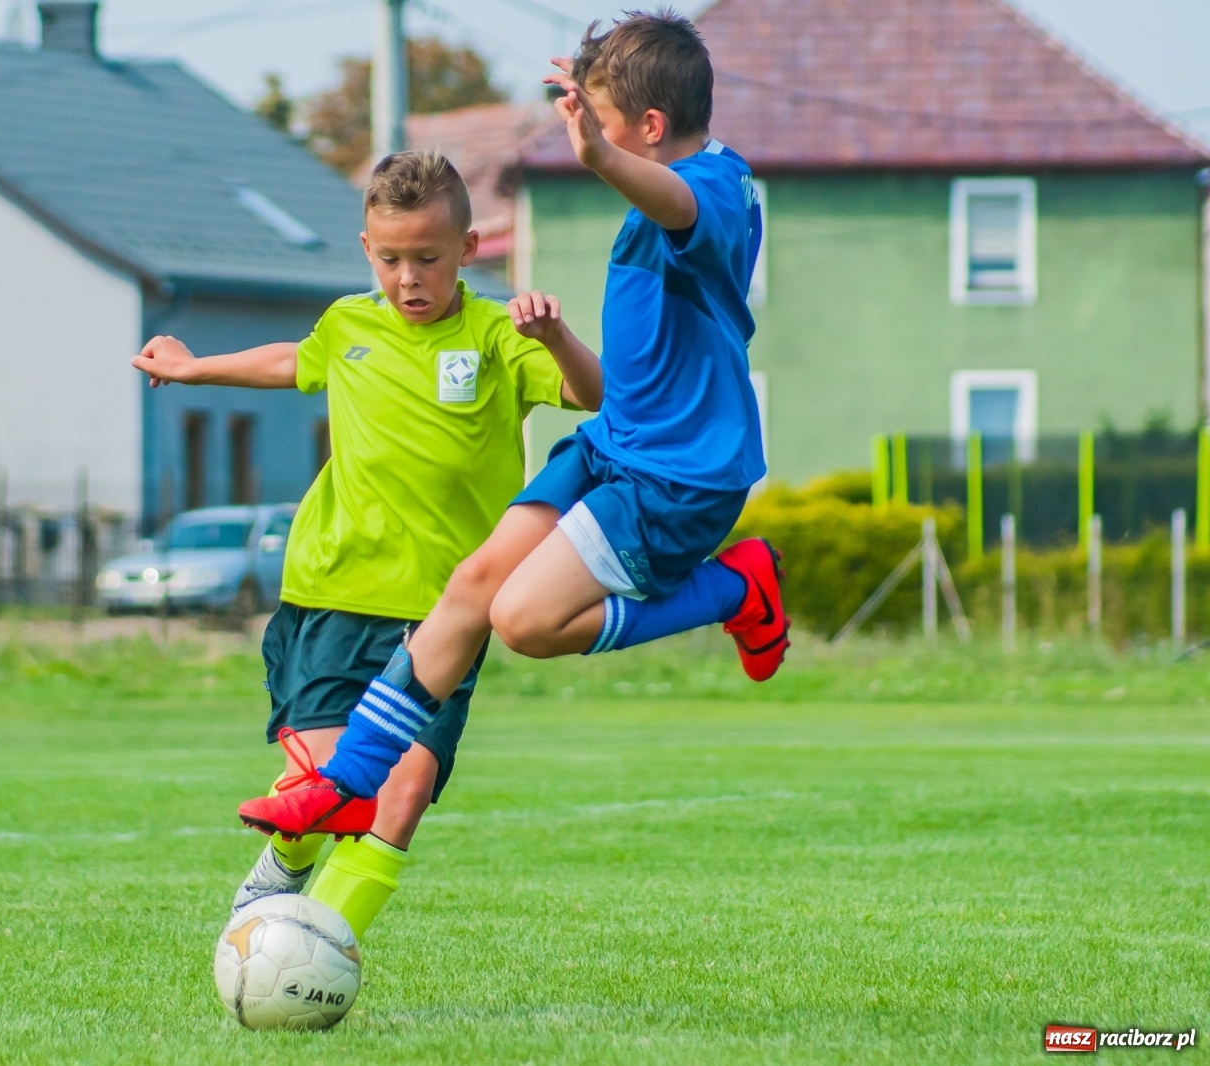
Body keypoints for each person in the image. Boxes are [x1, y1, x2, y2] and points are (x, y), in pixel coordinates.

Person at [237, 10, 789, 841]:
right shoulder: (690, 165)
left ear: (648, 127)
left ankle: (736, 587)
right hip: (618, 444)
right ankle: (351, 782)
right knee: (470, 588)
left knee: (525, 622)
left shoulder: (707, 187)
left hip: (676, 470)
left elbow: (673, 201)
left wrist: (600, 156)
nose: (585, 135)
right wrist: (601, 83)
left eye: (601, 120)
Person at [133, 149, 600, 937]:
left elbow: (591, 394)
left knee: (404, 790)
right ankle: (283, 869)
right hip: (333, 593)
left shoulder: (495, 334)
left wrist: (555, 337)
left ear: (468, 249)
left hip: (445, 610)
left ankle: (314, 945)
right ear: (366, 252)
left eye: (427, 258)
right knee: (323, 789)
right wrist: (192, 367)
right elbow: (291, 362)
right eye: (390, 259)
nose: (409, 277)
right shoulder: (347, 324)